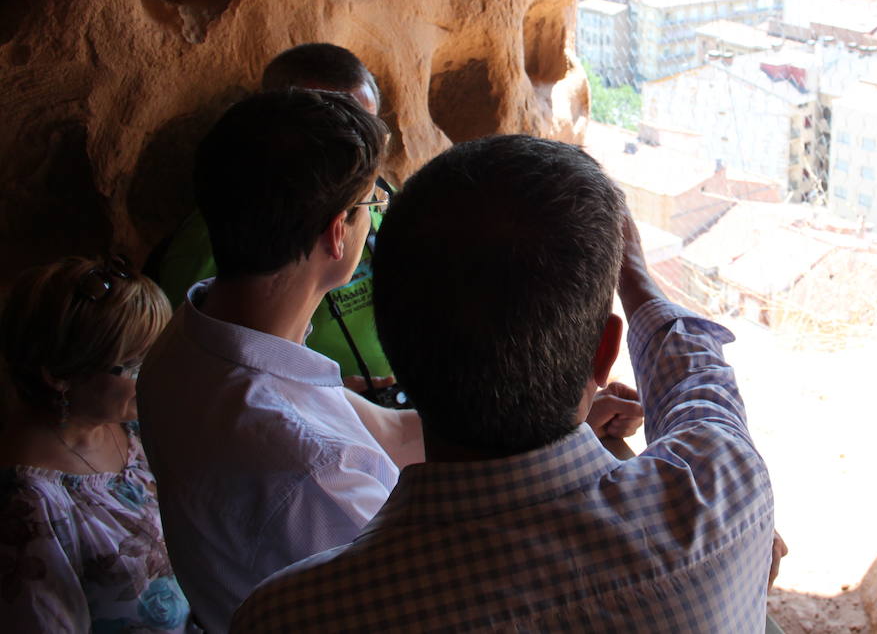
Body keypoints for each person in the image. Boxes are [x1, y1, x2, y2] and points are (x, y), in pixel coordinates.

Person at [231, 135, 776, 633]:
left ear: (393, 345)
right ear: (605, 352)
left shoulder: (286, 616)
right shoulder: (722, 502)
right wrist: (634, 280)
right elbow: (701, 388)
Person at [137, 89, 420, 634]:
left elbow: (390, 434)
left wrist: (543, 425)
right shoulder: (313, 474)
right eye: (371, 205)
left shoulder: (190, 339)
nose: (375, 216)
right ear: (338, 232)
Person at [153, 43, 403, 405]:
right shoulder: (211, 236)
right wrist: (314, 397)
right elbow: (191, 371)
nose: (361, 158)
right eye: (341, 130)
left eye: (370, 133)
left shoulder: (378, 193)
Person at [0, 255, 193, 633]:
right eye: (136, 364)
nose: (157, 372)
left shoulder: (127, 423)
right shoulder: (28, 507)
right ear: (59, 374)